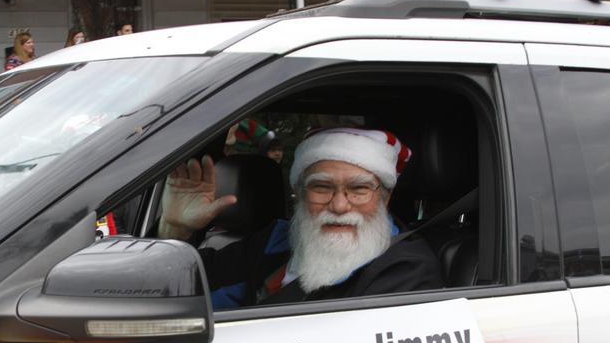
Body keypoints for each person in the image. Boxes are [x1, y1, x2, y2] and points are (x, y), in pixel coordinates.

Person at [159, 127, 443, 307]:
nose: (340, 205)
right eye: (321, 187)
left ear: (385, 197)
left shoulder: (407, 268)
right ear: (299, 193)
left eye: (358, 189)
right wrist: (174, 228)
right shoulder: (277, 240)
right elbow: (182, 291)